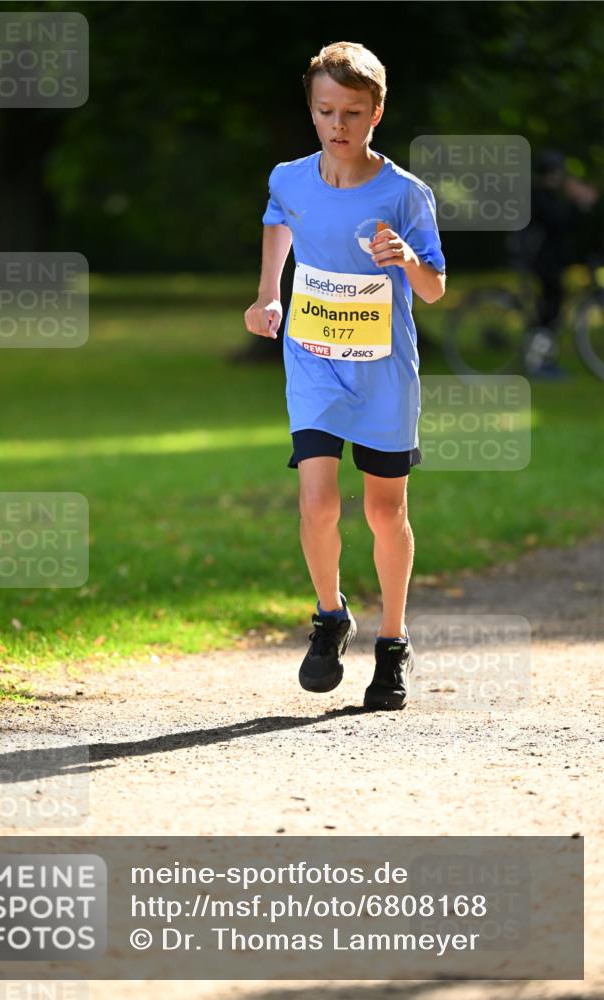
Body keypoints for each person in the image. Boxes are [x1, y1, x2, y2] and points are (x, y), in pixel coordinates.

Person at [243, 41, 446, 711]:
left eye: (353, 112)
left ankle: (392, 642)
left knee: (385, 511)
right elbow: (278, 221)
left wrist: (407, 257)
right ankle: (330, 617)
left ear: (376, 114)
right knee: (318, 502)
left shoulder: (405, 193)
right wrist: (268, 294)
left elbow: (435, 288)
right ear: (311, 109)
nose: (338, 124)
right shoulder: (288, 178)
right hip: (313, 361)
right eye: (326, 110)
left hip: (384, 371)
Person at [507, 148, 599, 377]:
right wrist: (579, 203)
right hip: (541, 262)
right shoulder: (540, 196)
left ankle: (541, 357)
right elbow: (559, 222)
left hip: (549, 262)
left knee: (551, 311)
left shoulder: (547, 196)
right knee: (548, 312)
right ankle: (538, 362)